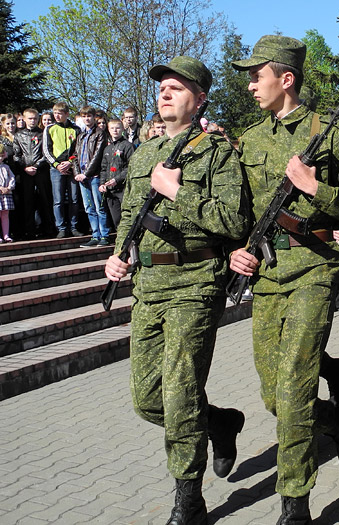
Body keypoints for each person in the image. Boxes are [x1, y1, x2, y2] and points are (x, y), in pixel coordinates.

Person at [104, 56, 249, 525]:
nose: (165, 93)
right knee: (149, 399)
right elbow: (129, 215)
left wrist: (177, 191)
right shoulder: (143, 154)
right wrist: (118, 254)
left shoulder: (218, 152)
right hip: (149, 286)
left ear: (200, 98)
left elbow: (234, 221)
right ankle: (221, 422)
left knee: (182, 395)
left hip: (194, 283)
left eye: (177, 88)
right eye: (163, 87)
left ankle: (189, 501)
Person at [229, 35, 339, 524]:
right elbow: (240, 213)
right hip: (267, 273)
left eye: (255, 75)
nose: (249, 85)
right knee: (273, 395)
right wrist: (238, 250)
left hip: (314, 267)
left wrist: (314, 188)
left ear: (285, 79)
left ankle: (295, 501)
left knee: (291, 387)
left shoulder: (328, 133)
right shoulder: (249, 139)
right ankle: (338, 419)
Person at [12, 108, 54, 238]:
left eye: (35, 118)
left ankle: (48, 229)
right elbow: (16, 155)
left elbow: (47, 153)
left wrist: (36, 166)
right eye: (30, 118)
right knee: (27, 202)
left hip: (41, 171)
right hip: (25, 173)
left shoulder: (43, 134)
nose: (32, 121)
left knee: (45, 200)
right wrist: (25, 167)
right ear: (24, 119)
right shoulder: (19, 135)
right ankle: (29, 231)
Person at [43, 102, 81, 238]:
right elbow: (46, 150)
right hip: (56, 169)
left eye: (60, 113)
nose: (57, 116)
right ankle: (61, 227)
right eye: (55, 113)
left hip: (72, 168)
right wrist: (57, 164)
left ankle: (74, 226)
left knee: (74, 198)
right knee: (58, 200)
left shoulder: (76, 129)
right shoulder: (49, 128)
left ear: (66, 114)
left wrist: (70, 162)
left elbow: (79, 149)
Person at [74, 106, 109, 247]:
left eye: (89, 116)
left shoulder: (100, 133)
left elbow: (97, 155)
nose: (87, 118)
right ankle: (95, 235)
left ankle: (104, 235)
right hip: (82, 177)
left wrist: (86, 173)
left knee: (99, 206)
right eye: (84, 116)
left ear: (94, 117)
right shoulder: (81, 136)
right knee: (89, 207)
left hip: (93, 176)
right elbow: (75, 156)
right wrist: (77, 173)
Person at [99, 118, 134, 228]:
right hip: (110, 191)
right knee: (116, 220)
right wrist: (102, 184)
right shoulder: (107, 149)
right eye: (112, 128)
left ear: (123, 129)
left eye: (118, 128)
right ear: (108, 130)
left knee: (128, 218)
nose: (115, 130)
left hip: (123, 189)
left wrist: (117, 179)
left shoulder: (128, 146)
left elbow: (131, 167)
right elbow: (104, 168)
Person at [0, 143, 16, 242]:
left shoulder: (6, 167)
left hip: (6, 194)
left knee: (5, 214)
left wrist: (9, 187)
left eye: (1, 156)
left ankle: (6, 235)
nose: (0, 158)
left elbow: (12, 177)